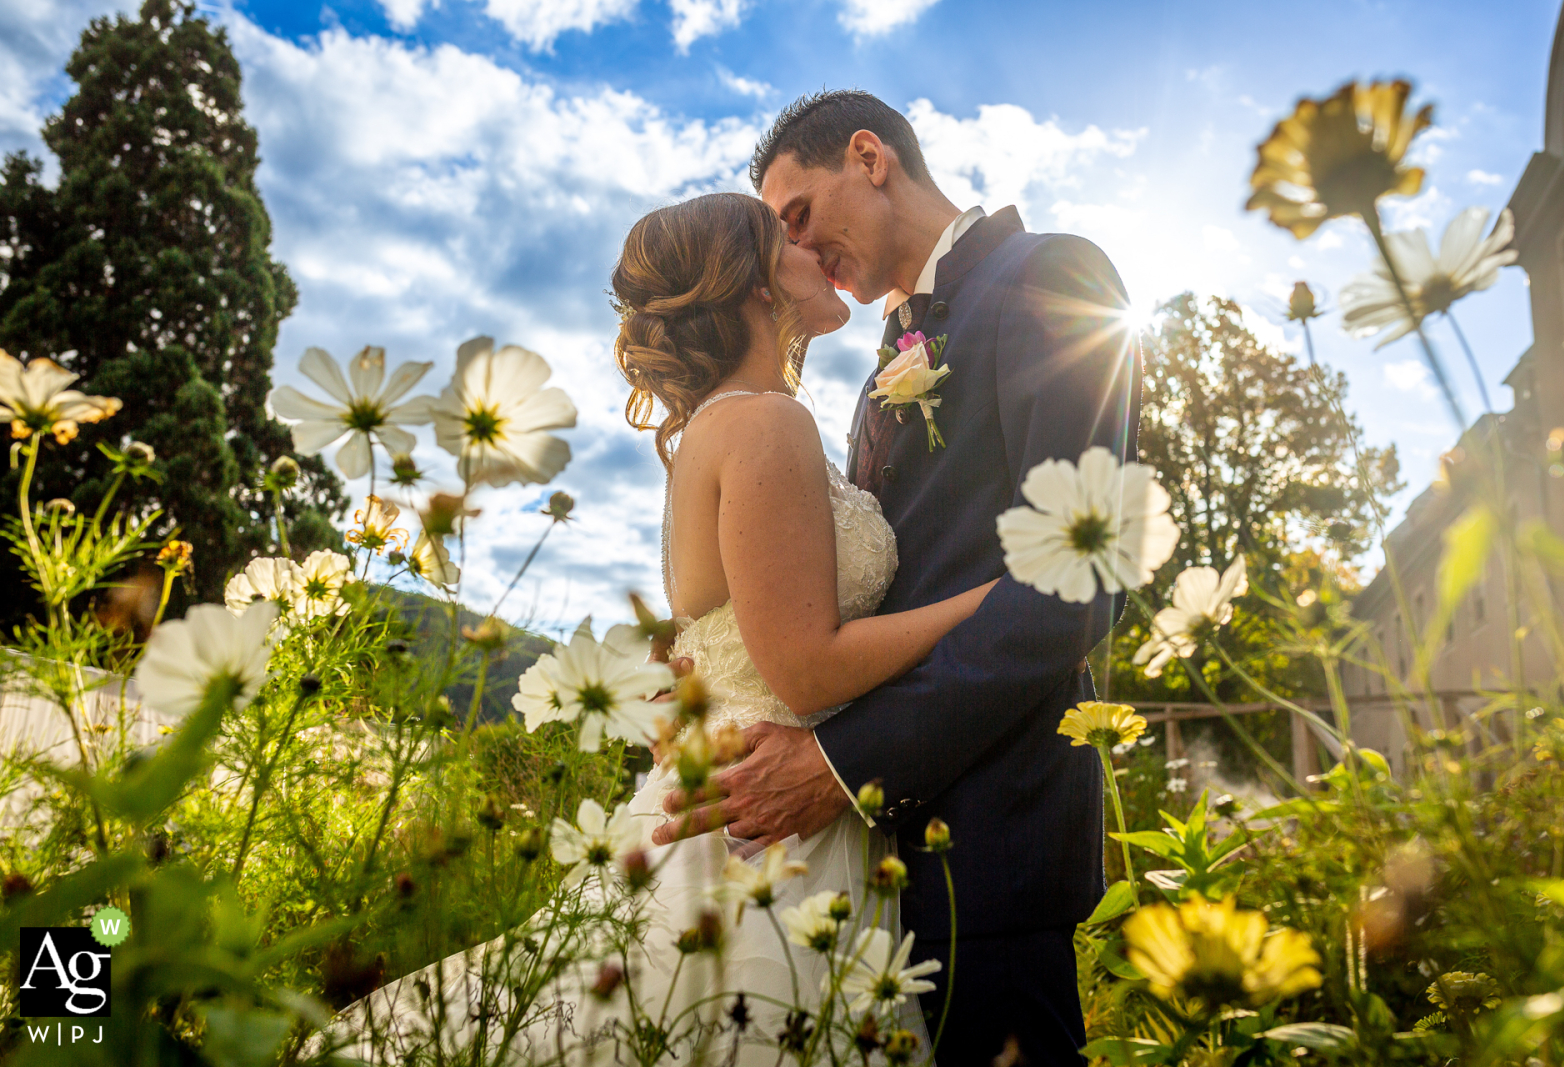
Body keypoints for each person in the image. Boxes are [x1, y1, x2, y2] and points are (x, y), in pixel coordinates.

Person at [333, 190, 996, 1063]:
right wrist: (991, 598)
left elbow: (714, 635)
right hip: (764, 837)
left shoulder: (713, 430)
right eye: (785, 239)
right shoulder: (766, 422)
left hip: (746, 802)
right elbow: (803, 669)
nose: (810, 247)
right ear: (757, 285)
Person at [652, 90, 1142, 1065]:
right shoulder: (880, 360)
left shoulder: (1051, 273)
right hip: (852, 864)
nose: (790, 247)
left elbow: (1084, 570)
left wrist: (842, 762)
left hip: (990, 840)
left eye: (793, 215)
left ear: (868, 157)